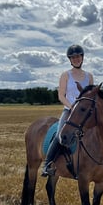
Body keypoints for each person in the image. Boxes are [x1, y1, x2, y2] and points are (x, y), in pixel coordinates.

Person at [41, 44, 94, 176]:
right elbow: (61, 95)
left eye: (78, 56)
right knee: (60, 135)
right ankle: (48, 164)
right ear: (70, 59)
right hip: (69, 110)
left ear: (82, 58)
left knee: (97, 133)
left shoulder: (89, 76)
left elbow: (91, 96)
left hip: (84, 113)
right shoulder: (66, 75)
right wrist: (72, 107)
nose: (76, 59)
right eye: (73, 57)